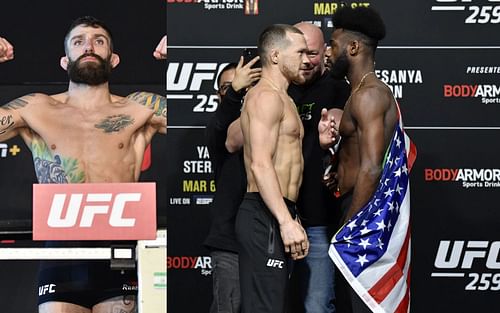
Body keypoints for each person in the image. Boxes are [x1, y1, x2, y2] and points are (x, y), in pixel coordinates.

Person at [0, 16, 166, 313]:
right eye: (79, 42)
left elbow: (209, 126)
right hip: (62, 251)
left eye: (98, 41)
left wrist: (185, 56)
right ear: (65, 61)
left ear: (113, 59)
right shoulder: (37, 108)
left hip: (121, 247)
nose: (89, 46)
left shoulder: (140, 108)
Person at [319, 7, 412, 313]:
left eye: (333, 44)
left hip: (364, 216)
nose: (327, 52)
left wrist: (351, 224)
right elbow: (359, 155)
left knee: (367, 305)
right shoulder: (358, 92)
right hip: (355, 205)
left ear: (354, 48)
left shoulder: (369, 95)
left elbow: (372, 166)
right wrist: (339, 170)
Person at [235, 24, 310, 313]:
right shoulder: (266, 97)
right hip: (263, 216)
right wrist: (284, 221)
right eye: (300, 52)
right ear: (276, 55)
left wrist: (290, 217)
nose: (308, 59)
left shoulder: (285, 98)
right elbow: (261, 163)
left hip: (278, 211)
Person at [287, 22, 350, 313]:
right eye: (299, 52)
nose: (306, 60)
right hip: (278, 219)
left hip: (319, 220)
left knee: (316, 305)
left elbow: (337, 118)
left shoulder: (337, 88)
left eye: (312, 53)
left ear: (324, 51)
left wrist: (332, 131)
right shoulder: (279, 89)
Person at [204, 57, 260, 313]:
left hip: (265, 236)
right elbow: (222, 132)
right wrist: (236, 92)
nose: (237, 91)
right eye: (228, 88)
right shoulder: (218, 130)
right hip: (229, 240)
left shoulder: (271, 122)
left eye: (244, 86)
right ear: (219, 95)